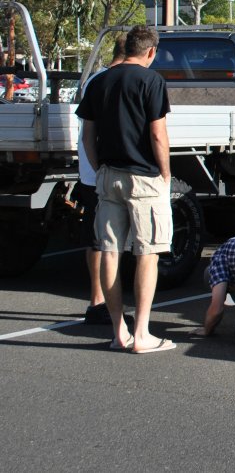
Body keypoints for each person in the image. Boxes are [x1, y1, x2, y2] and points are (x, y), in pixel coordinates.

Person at [76, 25, 174, 354]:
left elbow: (88, 135)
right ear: (150, 51)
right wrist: (165, 173)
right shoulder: (151, 81)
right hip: (143, 177)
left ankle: (119, 331)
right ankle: (142, 333)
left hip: (108, 175)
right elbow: (158, 134)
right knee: (147, 252)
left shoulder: (100, 81)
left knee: (110, 250)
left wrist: (99, 165)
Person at [73, 33, 127, 326]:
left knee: (100, 239)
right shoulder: (107, 81)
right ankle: (99, 302)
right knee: (102, 240)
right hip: (100, 173)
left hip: (92, 172)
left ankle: (100, 300)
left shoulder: (96, 80)